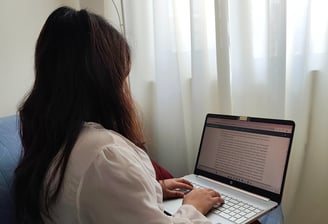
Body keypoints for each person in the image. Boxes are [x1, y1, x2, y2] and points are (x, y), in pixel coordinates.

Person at [13, 6, 224, 224]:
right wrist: (193, 207)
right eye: (123, 77)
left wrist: (154, 188)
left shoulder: (52, 137)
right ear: (104, 82)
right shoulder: (105, 155)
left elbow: (94, 197)